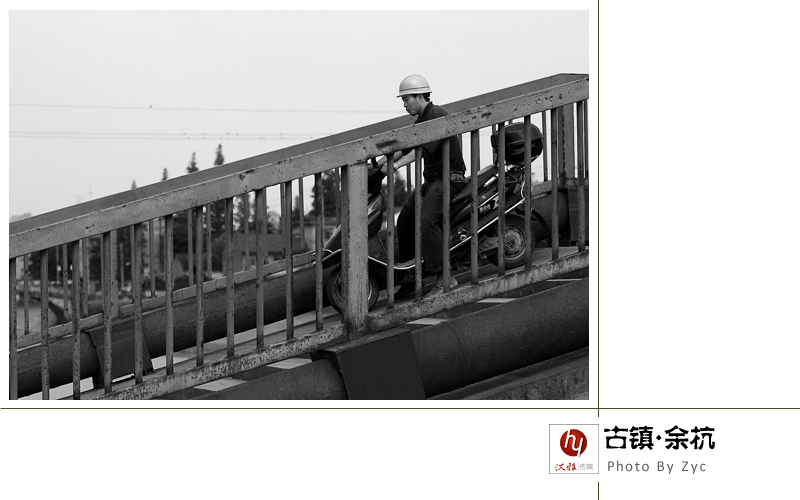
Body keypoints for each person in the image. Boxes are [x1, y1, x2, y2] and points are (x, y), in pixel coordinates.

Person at [375, 74, 468, 298]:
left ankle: (445, 278)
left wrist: (396, 166)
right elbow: (406, 147)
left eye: (406, 99)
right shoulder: (422, 121)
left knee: (427, 219)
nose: (404, 104)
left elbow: (422, 150)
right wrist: (379, 164)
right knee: (405, 220)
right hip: (433, 181)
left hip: (449, 179)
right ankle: (411, 277)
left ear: (419, 96)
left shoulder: (436, 116)